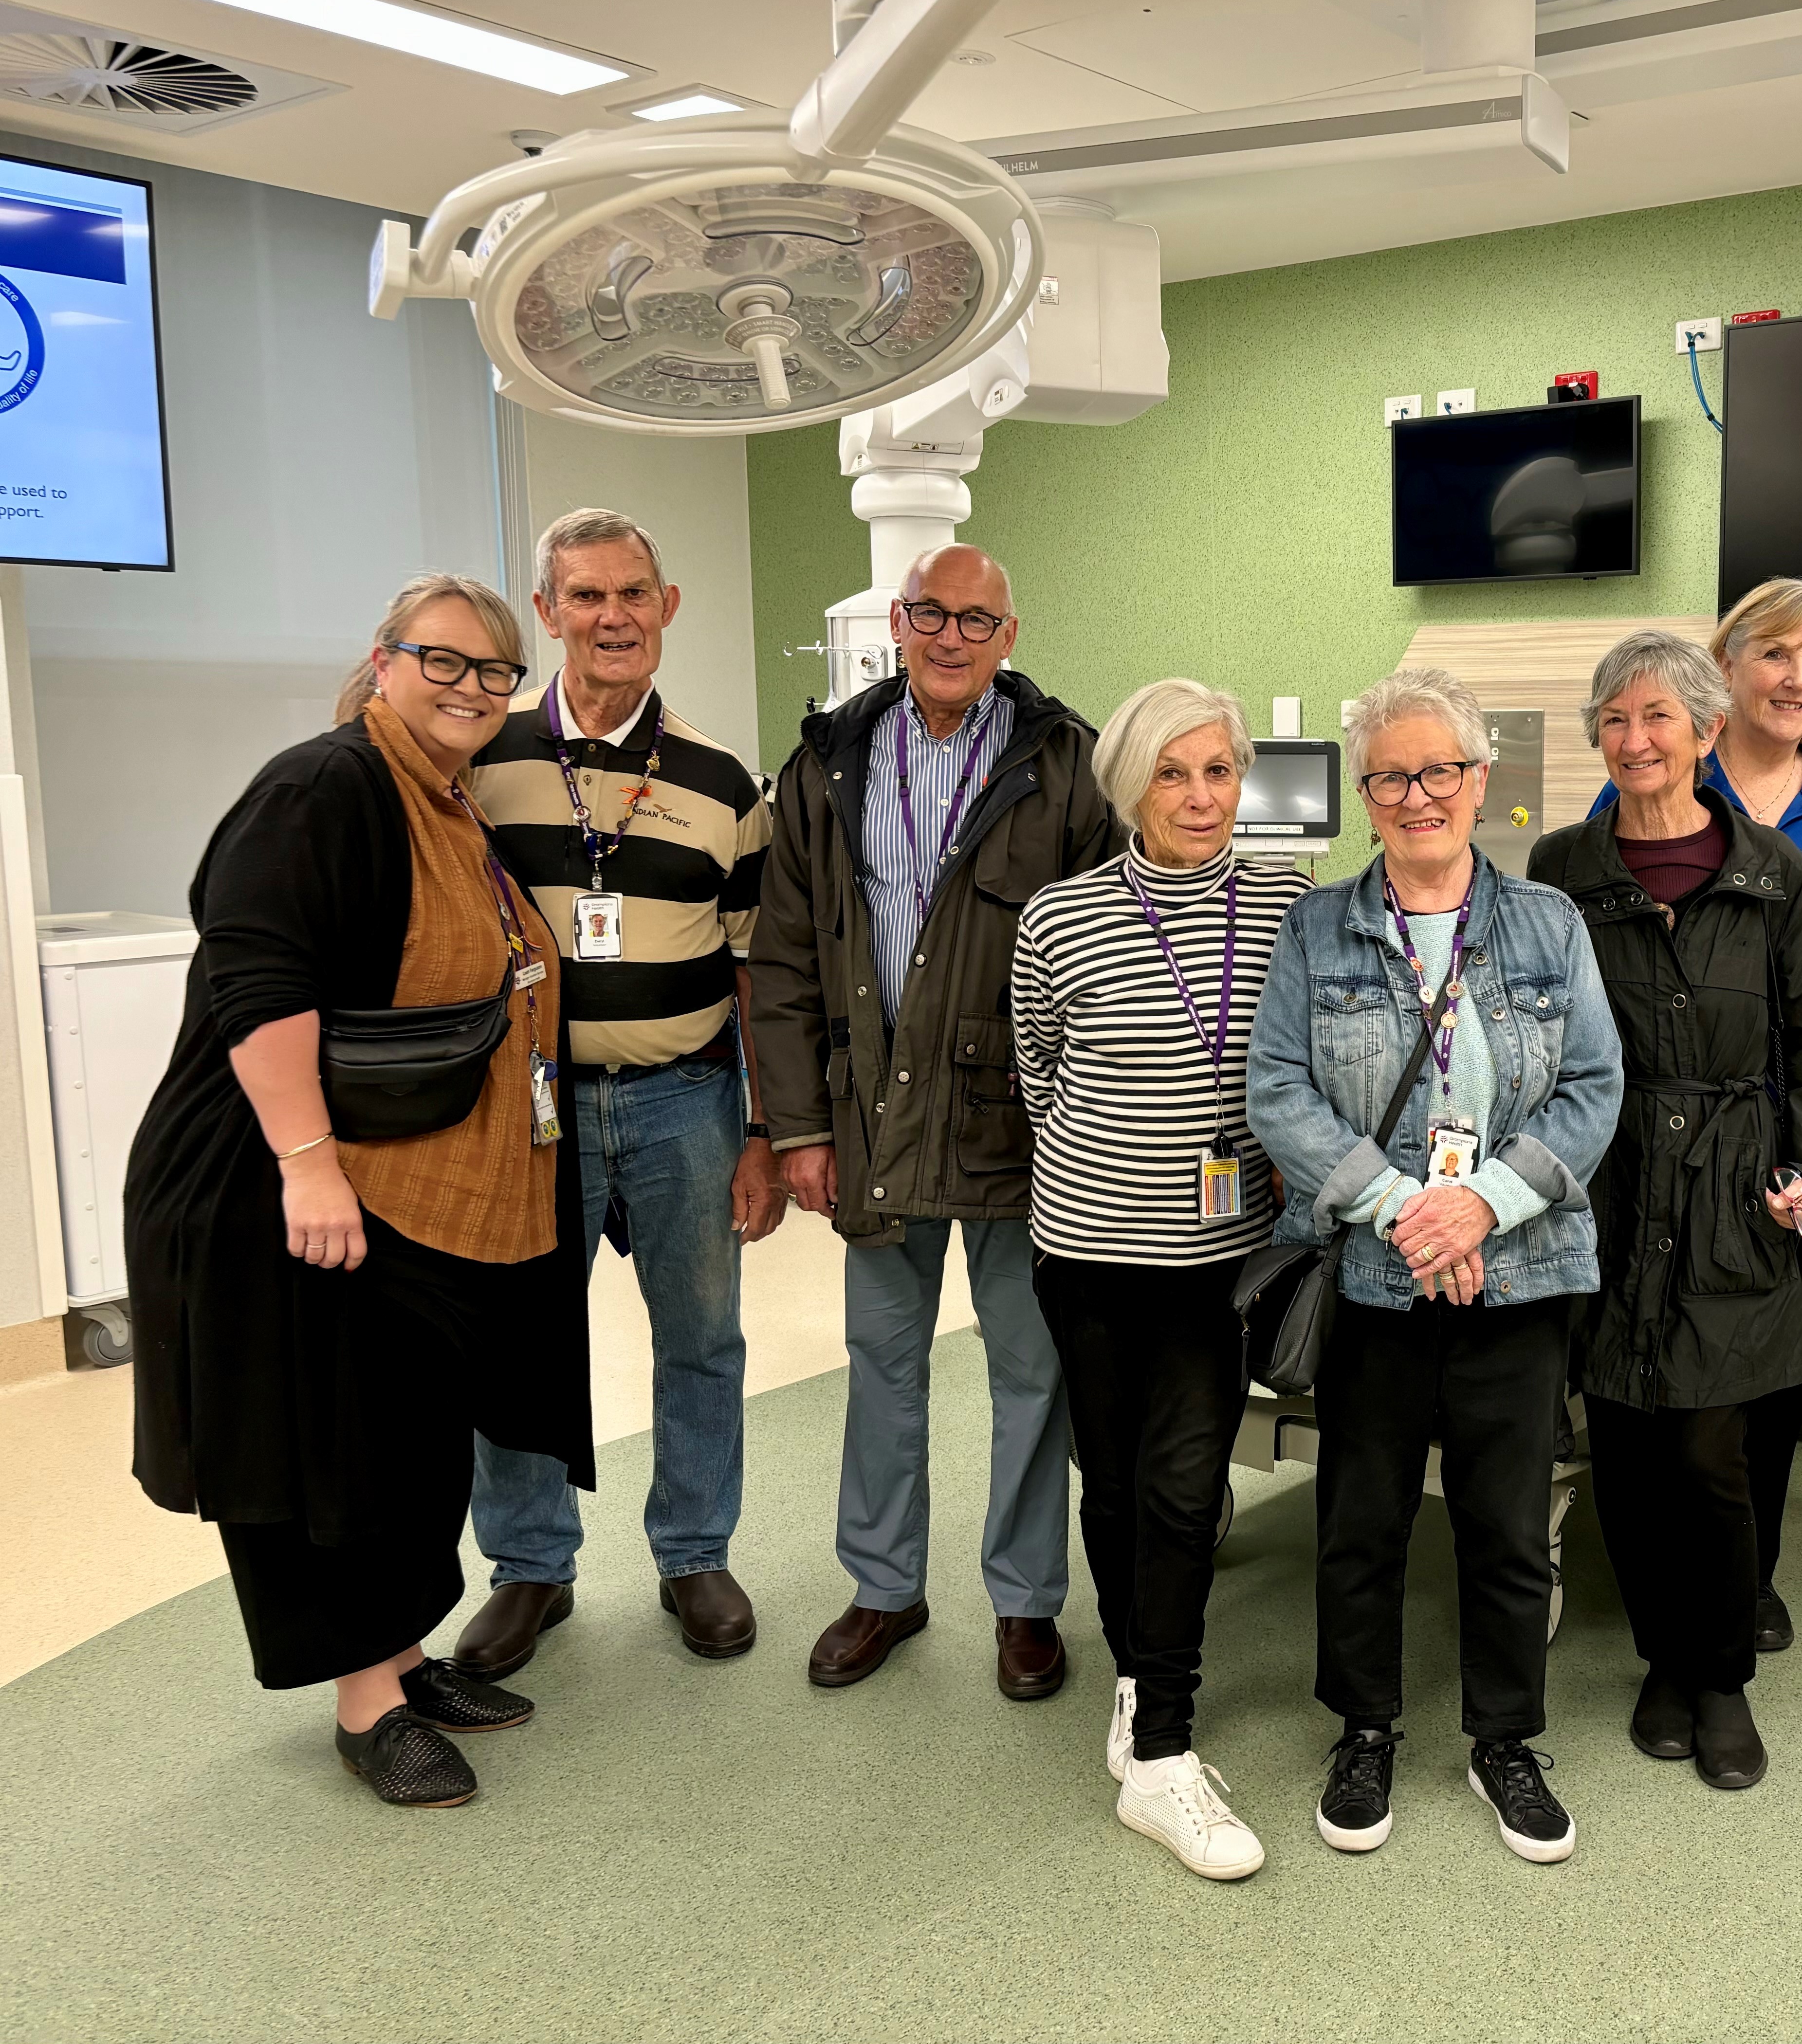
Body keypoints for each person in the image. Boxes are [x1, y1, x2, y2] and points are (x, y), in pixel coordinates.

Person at [126, 574, 592, 1807]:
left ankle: (402, 1654)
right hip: (287, 1179)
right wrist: (308, 1165)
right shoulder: (323, 785)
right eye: (441, 661)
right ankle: (363, 1706)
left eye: (494, 671)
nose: (469, 689)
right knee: (326, 1446)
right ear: (382, 662)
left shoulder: (443, 804)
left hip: (411, 1179)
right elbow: (259, 979)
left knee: (403, 1438)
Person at [1248, 666, 1621, 1867]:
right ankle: (1365, 1729)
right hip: (1373, 1274)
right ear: (1368, 794)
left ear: (1480, 780)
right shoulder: (1318, 927)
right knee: (1361, 1521)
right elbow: (1280, 1093)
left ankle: (1504, 1738)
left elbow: (1593, 1089)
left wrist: (1485, 1209)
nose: (1419, 796)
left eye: (1440, 771)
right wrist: (1416, 1213)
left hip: (1522, 1270)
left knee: (1510, 1527)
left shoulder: (1549, 925)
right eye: (1394, 776)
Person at [752, 543, 1118, 1698]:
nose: (949, 636)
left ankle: (1025, 1603)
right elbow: (784, 961)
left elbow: (1110, 954)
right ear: (897, 624)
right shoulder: (827, 763)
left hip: (1023, 1127)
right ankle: (883, 1589)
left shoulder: (1070, 765)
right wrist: (798, 1127)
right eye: (928, 614)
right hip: (874, 1119)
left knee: (1031, 1366)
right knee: (884, 1362)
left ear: (1011, 636)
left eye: (974, 619)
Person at [454, 508, 784, 1678]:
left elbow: (755, 968)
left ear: (667, 607)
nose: (612, 617)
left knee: (703, 1340)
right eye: (585, 596)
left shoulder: (718, 779)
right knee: (521, 1344)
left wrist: (757, 1128)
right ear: (546, 613)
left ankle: (695, 1551)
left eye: (632, 593)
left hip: (684, 1105)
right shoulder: (481, 763)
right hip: (527, 1115)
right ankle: (530, 1569)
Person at [1533, 631, 1802, 1793]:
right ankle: (1664, 1659)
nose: (1636, 741)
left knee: (1715, 1452)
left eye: (1659, 718)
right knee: (1623, 1442)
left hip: (1734, 1190)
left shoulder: (1772, 872)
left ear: (1710, 731)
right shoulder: (1562, 869)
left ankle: (1718, 1676)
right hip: (1604, 1189)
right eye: (1614, 721)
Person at [1013, 679, 1311, 1881]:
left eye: (1220, 771)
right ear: (1129, 787)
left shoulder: (1292, 904)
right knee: (1119, 1482)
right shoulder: (1058, 917)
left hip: (1218, 1261)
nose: (1201, 796)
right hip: (1085, 1250)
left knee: (1187, 1489)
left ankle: (1168, 1748)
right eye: (1174, 774)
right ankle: (1138, 1687)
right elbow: (1043, 1073)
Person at [1596, 577, 1802, 1647]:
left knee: (1783, 1363)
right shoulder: (1648, 783)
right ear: (1726, 668)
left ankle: (1752, 1569)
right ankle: (1662, 1570)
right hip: (1676, 1131)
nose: (1798, 679)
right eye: (1776, 654)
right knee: (1669, 1344)